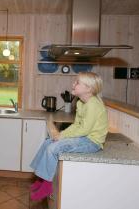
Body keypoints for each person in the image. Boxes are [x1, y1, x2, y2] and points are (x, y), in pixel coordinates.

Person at [30, 72, 108, 201]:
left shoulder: (93, 105)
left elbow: (84, 129)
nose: (73, 84)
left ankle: (47, 186)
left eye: (77, 82)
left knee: (52, 148)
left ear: (88, 88)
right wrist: (61, 134)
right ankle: (41, 178)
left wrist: (61, 136)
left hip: (92, 142)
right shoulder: (80, 103)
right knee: (47, 142)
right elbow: (77, 124)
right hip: (84, 137)